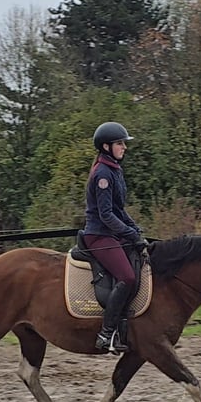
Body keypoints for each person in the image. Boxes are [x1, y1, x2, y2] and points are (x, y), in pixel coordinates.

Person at [83, 121, 148, 354]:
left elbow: (119, 210)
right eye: (120, 143)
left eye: (123, 143)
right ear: (106, 146)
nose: (124, 147)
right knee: (128, 277)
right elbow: (106, 215)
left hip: (111, 233)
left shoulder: (114, 170)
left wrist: (134, 229)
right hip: (99, 235)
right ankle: (106, 333)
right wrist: (129, 233)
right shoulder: (102, 174)